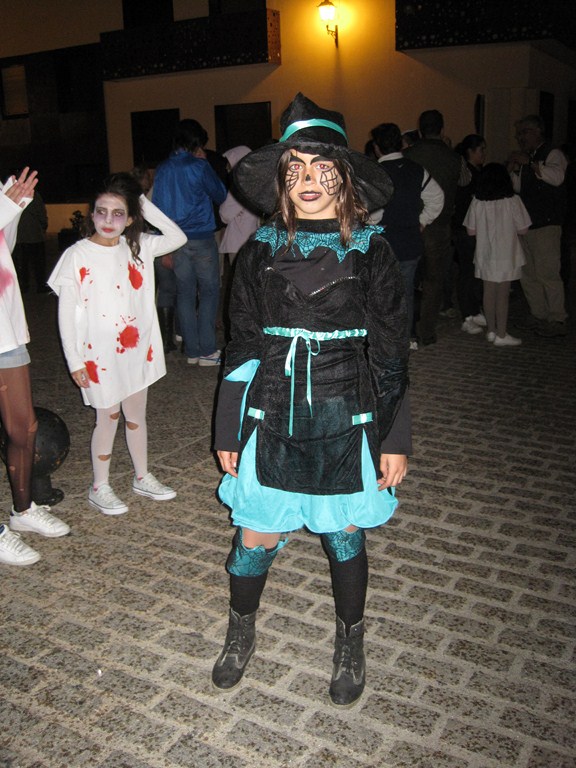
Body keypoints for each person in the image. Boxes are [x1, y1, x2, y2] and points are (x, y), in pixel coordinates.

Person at [211, 93, 411, 708]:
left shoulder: (372, 251)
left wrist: (395, 437)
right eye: (294, 168)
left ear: (344, 177)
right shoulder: (260, 249)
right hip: (271, 411)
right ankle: (240, 633)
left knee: (344, 533)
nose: (307, 180)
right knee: (254, 533)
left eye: (322, 168)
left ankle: (351, 642)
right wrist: (227, 426)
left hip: (344, 414)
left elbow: (391, 352)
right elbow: (242, 342)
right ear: (281, 179)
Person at [48, 173, 186, 515]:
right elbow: (66, 313)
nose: (108, 220)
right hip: (99, 355)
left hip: (136, 350)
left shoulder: (139, 247)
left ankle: (142, 476)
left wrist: (140, 201)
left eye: (118, 213)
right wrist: (74, 360)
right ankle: (100, 485)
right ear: (91, 213)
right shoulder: (77, 255)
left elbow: (177, 236)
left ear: (131, 218)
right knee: (107, 416)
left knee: (136, 415)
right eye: (101, 211)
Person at [0, 168, 70, 566]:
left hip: (6, 327)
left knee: (24, 428)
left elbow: (4, 248)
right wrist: (5, 208)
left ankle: (23, 510)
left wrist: (14, 210)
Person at [152, 120, 227, 366]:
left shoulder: (162, 169)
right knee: (209, 292)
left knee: (184, 293)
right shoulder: (199, 165)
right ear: (196, 142)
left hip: (176, 239)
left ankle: (192, 351)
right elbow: (220, 194)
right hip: (201, 236)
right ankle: (207, 350)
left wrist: (164, 245)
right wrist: (205, 163)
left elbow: (158, 209)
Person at [371, 122, 444, 350]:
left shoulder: (375, 173)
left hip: (383, 243)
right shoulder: (417, 170)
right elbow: (437, 198)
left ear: (377, 147)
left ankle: (386, 339)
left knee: (381, 294)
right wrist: (422, 220)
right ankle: (407, 338)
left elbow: (373, 213)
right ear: (401, 143)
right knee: (406, 292)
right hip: (410, 241)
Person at [404, 110, 467, 346]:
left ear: (420, 131)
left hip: (411, 225)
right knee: (434, 280)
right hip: (440, 226)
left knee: (408, 279)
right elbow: (465, 180)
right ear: (442, 130)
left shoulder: (408, 155)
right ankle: (426, 331)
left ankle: (408, 329)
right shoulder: (454, 157)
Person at [507, 114, 568, 337]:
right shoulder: (528, 158)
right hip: (527, 224)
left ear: (538, 131)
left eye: (524, 132)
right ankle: (538, 313)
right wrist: (512, 170)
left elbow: (557, 177)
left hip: (546, 224)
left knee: (547, 273)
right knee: (528, 273)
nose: (520, 137)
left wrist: (530, 164)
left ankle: (557, 317)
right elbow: (518, 188)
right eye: (519, 134)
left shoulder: (553, 153)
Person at [463, 163, 531, 347]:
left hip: (485, 253)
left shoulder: (477, 201)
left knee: (488, 292)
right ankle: (501, 333)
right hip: (507, 253)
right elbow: (523, 229)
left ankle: (491, 330)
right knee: (502, 295)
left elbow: (470, 231)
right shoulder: (513, 201)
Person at [453, 134, 487, 335]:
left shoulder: (478, 172)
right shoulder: (466, 174)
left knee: (475, 271)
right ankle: (467, 315)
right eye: (481, 150)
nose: (484, 154)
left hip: (475, 228)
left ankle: (474, 310)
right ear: (470, 151)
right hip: (464, 228)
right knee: (467, 271)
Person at [12, 189, 49, 293]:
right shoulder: (34, 196)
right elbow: (41, 213)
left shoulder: (16, 194)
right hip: (34, 234)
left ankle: (24, 285)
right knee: (38, 263)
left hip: (20, 236)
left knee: (22, 263)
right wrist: (43, 225)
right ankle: (40, 285)